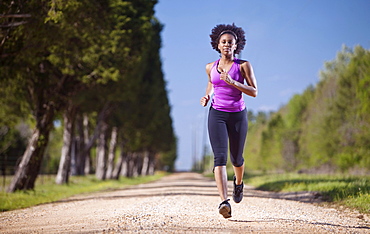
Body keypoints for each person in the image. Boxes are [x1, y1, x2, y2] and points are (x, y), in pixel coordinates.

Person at [200, 23, 258, 219]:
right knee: (219, 157)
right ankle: (224, 202)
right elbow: (211, 82)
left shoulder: (243, 66)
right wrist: (206, 96)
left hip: (238, 115)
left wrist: (232, 82)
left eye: (230, 43)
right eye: (223, 42)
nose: (226, 45)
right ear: (217, 45)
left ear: (236, 46)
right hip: (216, 113)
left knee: (236, 159)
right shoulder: (210, 67)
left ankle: (239, 183)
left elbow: (254, 91)